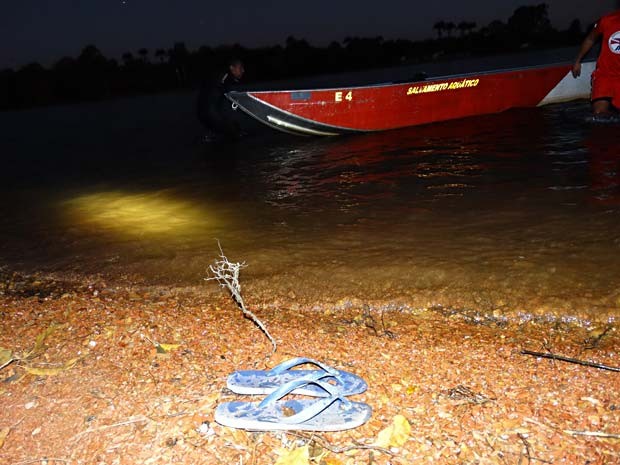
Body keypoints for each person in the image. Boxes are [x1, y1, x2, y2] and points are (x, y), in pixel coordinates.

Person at [572, 7, 620, 116]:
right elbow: (590, 39)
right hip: (605, 75)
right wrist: (578, 60)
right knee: (599, 115)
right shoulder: (607, 20)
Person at [196, 58, 245, 140]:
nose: (243, 71)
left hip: (203, 112)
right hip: (208, 112)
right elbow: (216, 89)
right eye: (240, 68)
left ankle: (211, 136)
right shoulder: (224, 75)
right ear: (232, 68)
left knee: (234, 128)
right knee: (235, 133)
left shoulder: (226, 77)